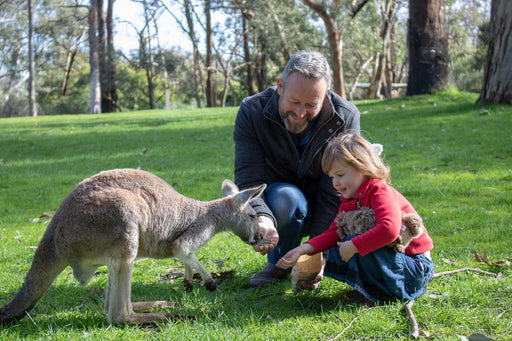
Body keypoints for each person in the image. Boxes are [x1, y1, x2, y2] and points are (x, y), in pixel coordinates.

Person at [233, 50, 361, 288]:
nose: (301, 113)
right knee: (287, 199)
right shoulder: (252, 111)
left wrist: (316, 250)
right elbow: (248, 175)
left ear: (327, 94)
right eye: (294, 102)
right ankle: (279, 262)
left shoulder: (345, 117)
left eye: (311, 104)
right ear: (280, 86)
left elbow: (337, 189)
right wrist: (262, 216)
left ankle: (317, 262)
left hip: (328, 202)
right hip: (280, 202)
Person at [277, 133, 435, 304]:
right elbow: (334, 233)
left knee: (354, 242)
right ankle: (372, 288)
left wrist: (354, 246)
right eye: (332, 177)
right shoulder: (351, 199)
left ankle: (385, 292)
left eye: (340, 174)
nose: (335, 183)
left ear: (363, 168)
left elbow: (389, 230)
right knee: (338, 246)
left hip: (414, 266)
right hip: (397, 262)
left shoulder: (379, 191)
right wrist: (303, 249)